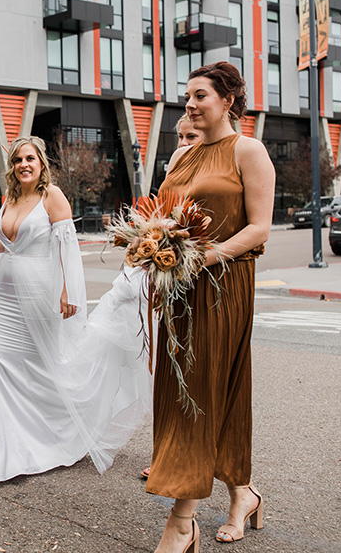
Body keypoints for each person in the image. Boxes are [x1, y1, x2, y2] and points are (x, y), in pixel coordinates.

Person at [0, 135, 151, 486]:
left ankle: (61, 434)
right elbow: (10, 244)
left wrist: (69, 294)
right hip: (5, 297)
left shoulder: (51, 196)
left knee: (46, 369)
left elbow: (66, 247)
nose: (23, 164)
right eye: (18, 159)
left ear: (41, 165)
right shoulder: (11, 197)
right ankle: (4, 452)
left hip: (41, 292)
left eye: (30, 159)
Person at [148, 62, 274, 552]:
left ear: (228, 99)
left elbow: (259, 228)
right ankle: (243, 494)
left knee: (196, 393)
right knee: (207, 390)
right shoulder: (182, 156)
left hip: (223, 285)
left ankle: (182, 523)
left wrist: (202, 258)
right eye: (187, 97)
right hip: (177, 290)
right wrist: (149, 246)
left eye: (200, 95)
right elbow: (161, 216)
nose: (191, 104)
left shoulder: (249, 150)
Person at [141, 114, 204, 480]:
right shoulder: (173, 171)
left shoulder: (210, 170)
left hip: (198, 277)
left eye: (191, 135)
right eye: (179, 136)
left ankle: (187, 457)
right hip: (166, 277)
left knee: (190, 373)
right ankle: (164, 451)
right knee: (167, 371)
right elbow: (157, 217)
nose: (184, 141)